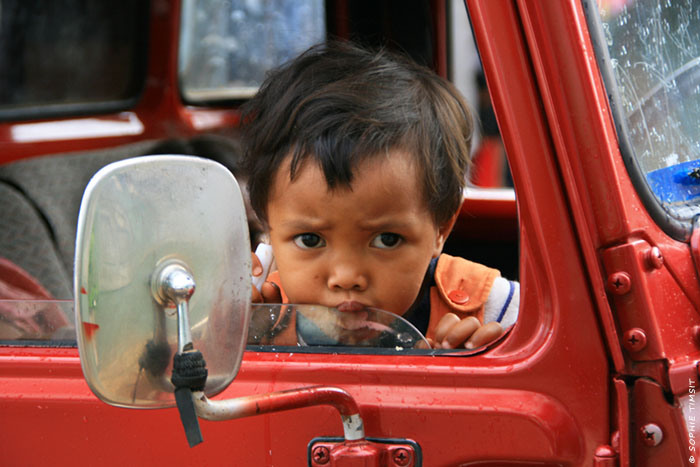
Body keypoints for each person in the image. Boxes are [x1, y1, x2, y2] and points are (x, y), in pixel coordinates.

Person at [242, 41, 518, 350]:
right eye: (310, 239)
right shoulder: (258, 319)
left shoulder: (494, 312)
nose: (346, 278)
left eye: (386, 239)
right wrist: (237, 346)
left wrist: (488, 361)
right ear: (269, 231)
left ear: (441, 228)